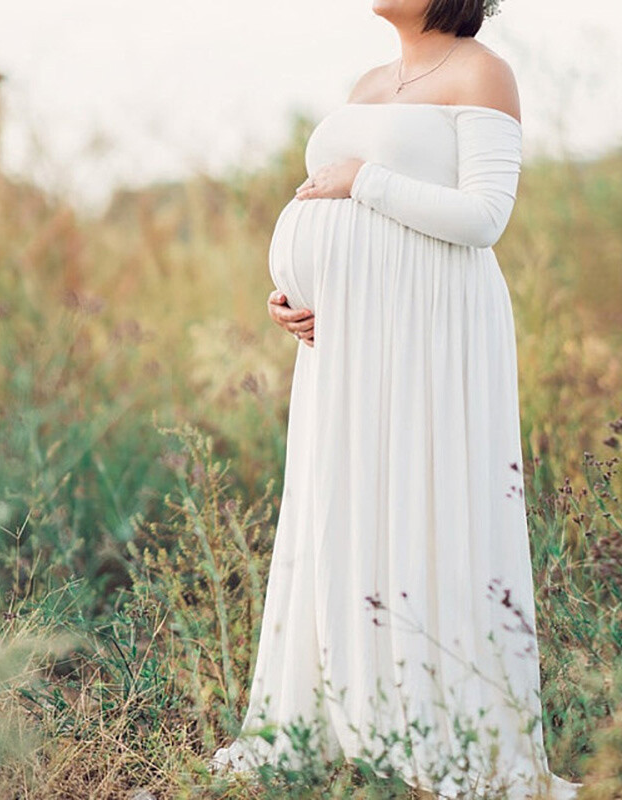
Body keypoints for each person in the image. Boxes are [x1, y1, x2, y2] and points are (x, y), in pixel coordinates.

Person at [209, 0, 584, 798]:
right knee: (342, 503)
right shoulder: (371, 77)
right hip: (348, 345)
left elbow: (485, 218)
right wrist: (290, 293)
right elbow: (326, 204)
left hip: (433, 332)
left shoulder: (484, 72)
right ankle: (343, 713)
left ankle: (439, 724)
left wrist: (364, 182)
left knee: (426, 497)